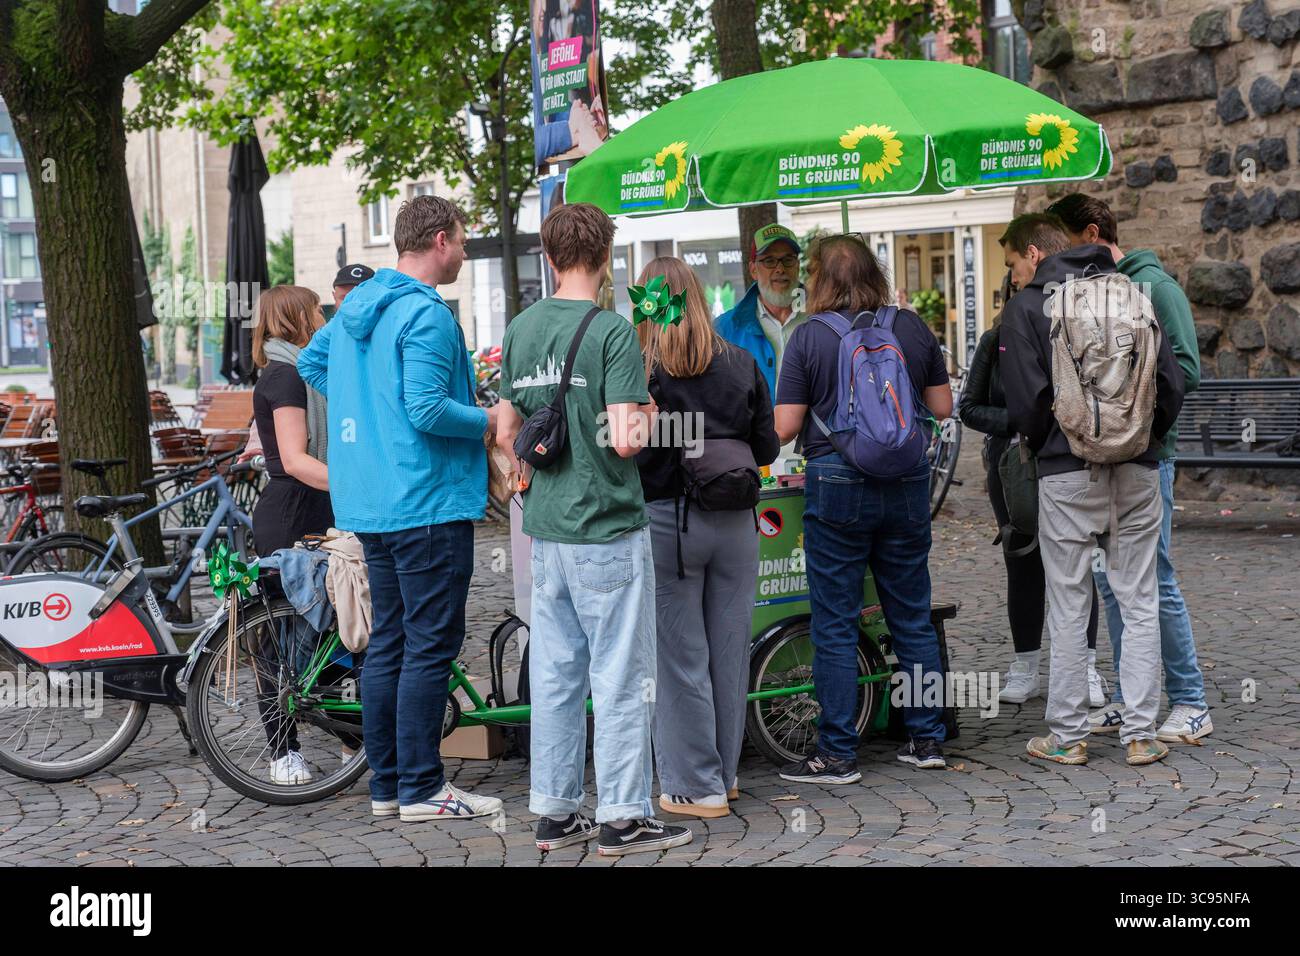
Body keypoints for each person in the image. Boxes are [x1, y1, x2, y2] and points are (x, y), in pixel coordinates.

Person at [297, 195, 503, 822]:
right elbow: (428, 410)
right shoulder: (427, 315)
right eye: (463, 241)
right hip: (426, 500)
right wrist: (491, 420)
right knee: (429, 643)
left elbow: (312, 362)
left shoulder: (355, 306)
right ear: (440, 240)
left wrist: (367, 402)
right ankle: (421, 787)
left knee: (388, 641)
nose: (465, 252)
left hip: (371, 503)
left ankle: (387, 785)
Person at [496, 202, 692, 856]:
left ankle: (554, 811)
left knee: (554, 673)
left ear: (549, 258)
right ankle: (623, 817)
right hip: (606, 525)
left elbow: (506, 430)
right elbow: (629, 438)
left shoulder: (521, 330)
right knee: (619, 675)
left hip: (545, 532)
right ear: (605, 256)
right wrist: (646, 407)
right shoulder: (610, 331)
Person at [998, 213, 1184, 767]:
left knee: (1069, 600)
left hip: (1065, 470)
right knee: (1139, 597)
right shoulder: (1134, 292)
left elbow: (1026, 403)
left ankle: (1070, 735)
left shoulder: (1028, 307)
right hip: (1138, 467)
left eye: (1012, 262)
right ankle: (1142, 734)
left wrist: (1048, 441)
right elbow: (1170, 384)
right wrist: (1141, 438)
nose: (1013, 273)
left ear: (1035, 255)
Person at [773, 234, 953, 781]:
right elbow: (942, 407)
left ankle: (836, 752)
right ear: (875, 273)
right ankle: (927, 739)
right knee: (911, 616)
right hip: (905, 481)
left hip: (835, 482)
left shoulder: (808, 338)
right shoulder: (910, 326)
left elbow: (783, 427)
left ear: (818, 280)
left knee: (835, 621)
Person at [1046, 193, 1212, 743]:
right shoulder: (1100, 292)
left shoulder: (1155, 288)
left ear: (1092, 234)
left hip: (1148, 459)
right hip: (1114, 459)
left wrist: (1146, 437)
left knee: (1153, 580)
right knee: (1112, 584)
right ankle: (1128, 697)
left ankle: (1190, 700)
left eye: (1067, 244)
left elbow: (1182, 370)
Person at [633, 256, 780, 819]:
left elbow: (634, 452)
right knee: (728, 652)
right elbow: (766, 449)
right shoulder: (740, 361)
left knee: (679, 659)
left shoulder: (645, 371)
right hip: (736, 522)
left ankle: (696, 786)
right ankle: (726, 773)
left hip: (670, 523)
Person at [958, 278, 1103, 706]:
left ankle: (1086, 666)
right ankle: (1025, 665)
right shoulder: (995, 340)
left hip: (1067, 461)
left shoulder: (1075, 333)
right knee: (1022, 561)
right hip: (1012, 467)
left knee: (1078, 563)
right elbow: (969, 407)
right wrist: (1018, 421)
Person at [248, 284, 335, 785]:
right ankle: (283, 751)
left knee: (330, 627)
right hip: (293, 515)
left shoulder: (300, 371)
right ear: (298, 318)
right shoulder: (284, 377)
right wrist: (359, 482)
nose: (322, 316)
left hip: (314, 509)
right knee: (281, 638)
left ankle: (349, 734)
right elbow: (298, 459)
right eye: (316, 309)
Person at [240, 264, 374, 464]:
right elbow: (280, 403)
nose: (351, 305)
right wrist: (260, 442)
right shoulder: (306, 358)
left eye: (360, 296)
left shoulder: (385, 338)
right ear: (334, 298)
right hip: (326, 473)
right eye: (345, 298)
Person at [715, 224, 807, 398]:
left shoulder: (821, 318)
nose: (780, 269)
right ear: (753, 270)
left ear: (797, 266)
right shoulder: (724, 330)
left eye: (788, 259)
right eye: (769, 261)